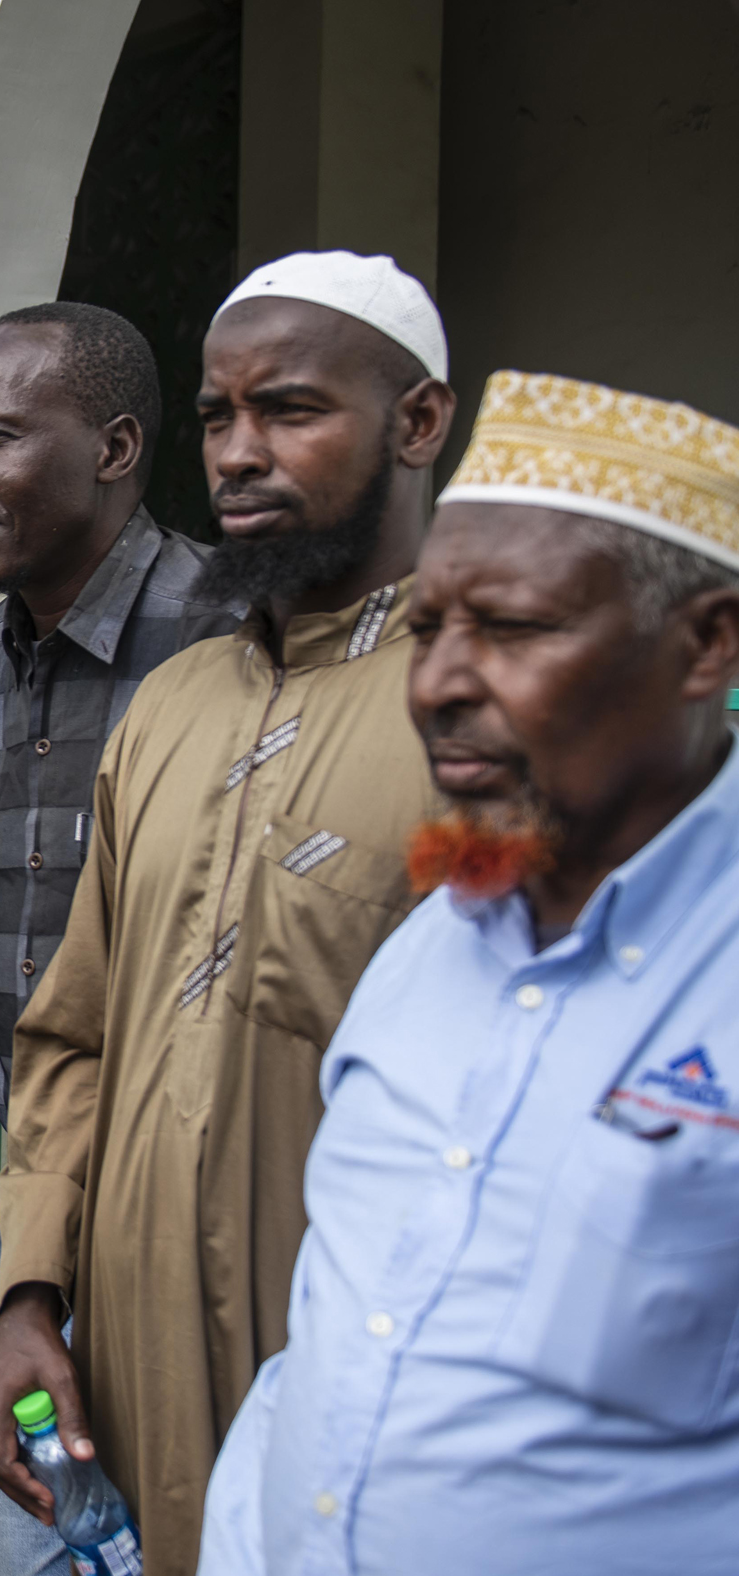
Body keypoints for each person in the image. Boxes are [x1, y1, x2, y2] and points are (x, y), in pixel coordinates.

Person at [200, 372, 739, 1573]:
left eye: (514, 628)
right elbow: (336, 1343)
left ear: (706, 643)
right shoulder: (428, 945)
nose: (438, 685)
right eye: (431, 627)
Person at [0, 252, 458, 1575]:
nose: (239, 454)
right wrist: (25, 1298)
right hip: (124, 1375)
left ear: (417, 421)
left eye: (290, 410)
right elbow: (69, 1036)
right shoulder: (172, 707)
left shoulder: (486, 713)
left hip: (376, 1387)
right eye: (217, 416)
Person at [0, 301, 241, 1574]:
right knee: (43, 1537)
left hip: (197, 1208)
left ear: (114, 448)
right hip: (35, 1207)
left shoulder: (230, 639)